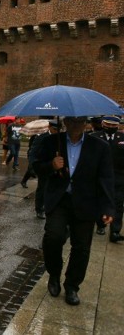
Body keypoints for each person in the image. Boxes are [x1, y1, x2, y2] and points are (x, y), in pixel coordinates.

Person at [33, 116, 115, 306]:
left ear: (86, 123)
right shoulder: (52, 142)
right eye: (72, 121)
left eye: (80, 121)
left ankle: (72, 286)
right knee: (53, 237)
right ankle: (54, 274)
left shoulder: (99, 147)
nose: (76, 125)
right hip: (59, 200)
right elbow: (37, 167)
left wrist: (108, 207)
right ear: (65, 123)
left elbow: (106, 178)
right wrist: (51, 166)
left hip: (86, 202)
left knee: (81, 247)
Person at [91, 116, 124, 242]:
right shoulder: (94, 137)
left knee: (118, 204)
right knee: (100, 201)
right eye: (108, 125)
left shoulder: (122, 138)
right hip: (99, 177)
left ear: (118, 125)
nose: (110, 127)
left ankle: (115, 232)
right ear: (103, 124)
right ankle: (101, 225)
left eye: (113, 125)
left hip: (118, 177)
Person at [31, 120, 60, 219]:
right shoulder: (42, 137)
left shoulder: (61, 138)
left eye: (58, 129)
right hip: (44, 166)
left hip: (57, 167)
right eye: (55, 129)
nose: (57, 131)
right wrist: (32, 166)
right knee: (42, 188)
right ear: (49, 127)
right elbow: (33, 152)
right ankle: (39, 209)